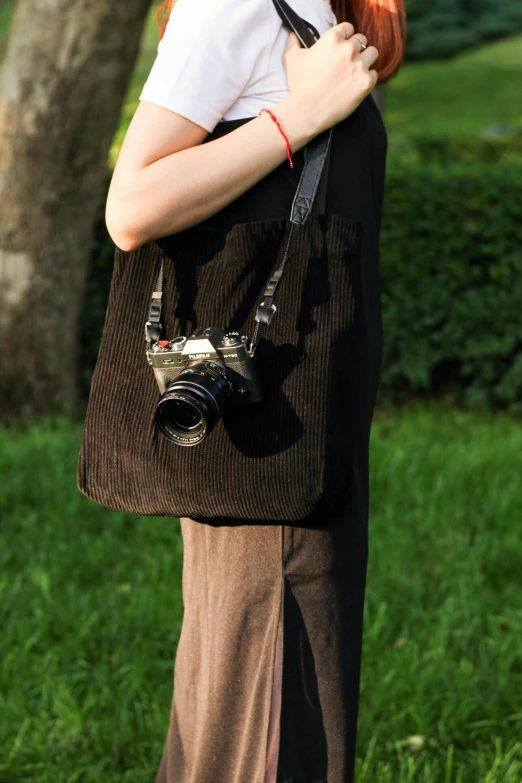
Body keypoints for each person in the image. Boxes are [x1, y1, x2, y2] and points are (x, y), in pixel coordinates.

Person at [105, 0, 406, 780]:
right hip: (266, 438)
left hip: (310, 429)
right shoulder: (234, 3)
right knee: (267, 732)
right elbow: (131, 206)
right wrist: (301, 114)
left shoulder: (317, 12)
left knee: (253, 719)